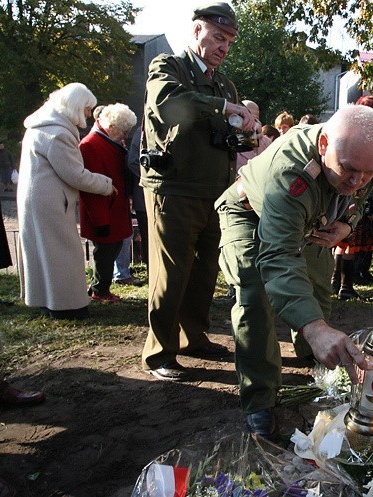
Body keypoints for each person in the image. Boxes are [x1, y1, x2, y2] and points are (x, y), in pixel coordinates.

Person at [216, 105, 373, 437]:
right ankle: (260, 399)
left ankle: (315, 358)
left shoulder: (363, 156)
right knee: (255, 300)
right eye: (349, 170)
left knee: (318, 286)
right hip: (249, 214)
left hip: (312, 221)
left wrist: (345, 225)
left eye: (368, 172)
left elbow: (356, 198)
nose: (358, 180)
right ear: (324, 145)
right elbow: (279, 256)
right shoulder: (291, 173)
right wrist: (316, 328)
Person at [139, 1, 255, 381]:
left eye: (230, 42)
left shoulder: (224, 83)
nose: (224, 47)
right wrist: (222, 107)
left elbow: (221, 131)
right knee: (172, 272)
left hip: (214, 189)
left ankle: (193, 337)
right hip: (173, 187)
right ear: (196, 31)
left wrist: (243, 132)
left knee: (206, 270)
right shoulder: (168, 67)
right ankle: (160, 352)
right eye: (218, 37)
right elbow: (169, 104)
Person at [17, 82, 116, 320]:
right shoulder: (58, 133)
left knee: (43, 252)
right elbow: (75, 174)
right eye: (86, 109)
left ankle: (47, 300)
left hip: (39, 198)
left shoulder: (44, 125)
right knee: (62, 253)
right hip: (51, 202)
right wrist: (106, 184)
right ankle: (67, 306)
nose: (87, 114)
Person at [79, 103, 137, 303]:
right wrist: (100, 221)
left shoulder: (108, 140)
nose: (125, 135)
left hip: (115, 208)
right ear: (111, 127)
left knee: (111, 249)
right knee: (104, 252)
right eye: (123, 131)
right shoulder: (91, 145)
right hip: (105, 211)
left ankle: (99, 287)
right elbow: (91, 190)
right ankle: (99, 290)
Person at [331, 95, 373, 299]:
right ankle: (345, 287)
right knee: (349, 243)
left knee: (342, 242)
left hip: (343, 198)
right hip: (358, 199)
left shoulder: (349, 132)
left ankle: (336, 283)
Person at [236, 100, 272, 168]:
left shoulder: (267, 142)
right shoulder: (232, 141)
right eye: (248, 118)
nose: (252, 123)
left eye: (255, 119)